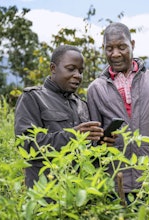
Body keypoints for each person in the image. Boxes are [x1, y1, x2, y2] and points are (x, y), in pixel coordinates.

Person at [87, 22, 149, 211]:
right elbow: (93, 145)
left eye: (121, 47)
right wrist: (101, 142)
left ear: (132, 45)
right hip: (116, 185)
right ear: (103, 49)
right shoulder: (95, 89)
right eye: (109, 48)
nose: (115, 53)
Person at [14, 45, 108, 188]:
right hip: (46, 195)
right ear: (53, 68)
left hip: (79, 194)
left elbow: (88, 153)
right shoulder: (33, 98)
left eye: (81, 71)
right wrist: (72, 136)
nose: (77, 75)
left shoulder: (81, 104)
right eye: (71, 69)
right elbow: (26, 146)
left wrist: (101, 142)